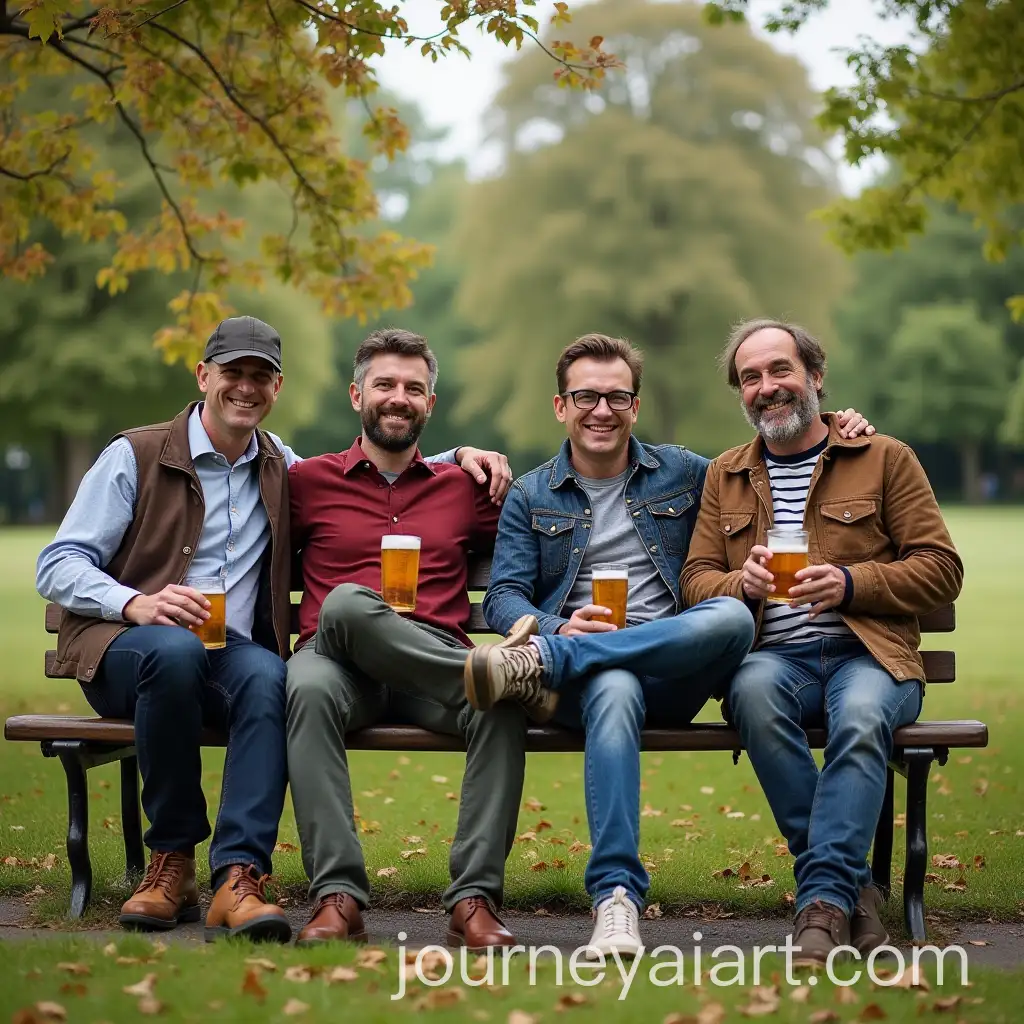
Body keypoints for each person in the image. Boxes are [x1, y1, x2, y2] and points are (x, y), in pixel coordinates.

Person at [35, 316, 512, 941]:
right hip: (160, 645)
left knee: (267, 675)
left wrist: (459, 456)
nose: (246, 388)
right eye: (232, 373)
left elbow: (444, 489)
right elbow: (58, 562)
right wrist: (134, 603)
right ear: (205, 375)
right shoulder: (167, 458)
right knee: (316, 640)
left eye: (260, 377)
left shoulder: (284, 465)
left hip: (305, 653)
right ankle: (207, 868)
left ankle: (243, 875)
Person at [466, 333, 874, 957]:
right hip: (588, 684)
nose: (601, 410)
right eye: (585, 397)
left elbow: (776, 449)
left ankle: (546, 664)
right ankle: (616, 902)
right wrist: (556, 626)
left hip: (674, 673)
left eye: (616, 397)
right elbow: (503, 598)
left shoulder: (687, 472)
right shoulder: (530, 494)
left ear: (636, 404)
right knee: (614, 681)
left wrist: (837, 420)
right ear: (559, 406)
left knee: (733, 619)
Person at [681, 318, 963, 964]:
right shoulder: (725, 475)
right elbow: (694, 581)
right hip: (777, 663)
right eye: (750, 377)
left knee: (862, 716)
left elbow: (942, 568)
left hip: (873, 658)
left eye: (780, 369)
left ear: (815, 376)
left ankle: (821, 907)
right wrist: (741, 585)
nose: (767, 387)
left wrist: (848, 582)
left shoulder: (884, 457)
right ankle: (853, 894)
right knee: (749, 693)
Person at [285, 328, 530, 952]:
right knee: (321, 656)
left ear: (431, 404)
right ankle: (338, 898)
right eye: (386, 385)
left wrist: (480, 459)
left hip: (432, 661)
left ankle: (472, 900)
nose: (399, 398)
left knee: (496, 705)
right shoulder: (306, 483)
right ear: (356, 394)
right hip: (338, 663)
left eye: (414, 388)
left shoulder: (466, 488)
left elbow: (537, 541)